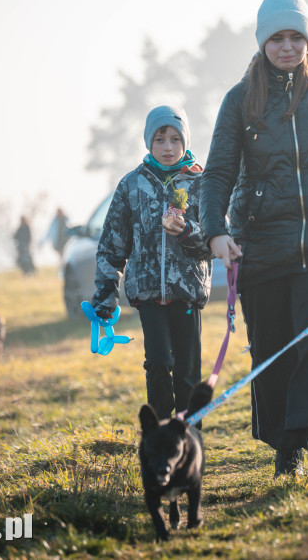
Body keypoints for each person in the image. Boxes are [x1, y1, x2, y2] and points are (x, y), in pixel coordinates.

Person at [200, 0, 308, 480]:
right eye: (278, 38)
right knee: (273, 348)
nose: (288, 46)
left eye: (297, 37)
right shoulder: (239, 101)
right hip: (263, 245)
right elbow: (217, 175)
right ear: (263, 42)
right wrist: (215, 232)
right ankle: (285, 447)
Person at [90, 105, 213, 420]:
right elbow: (112, 244)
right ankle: (159, 433)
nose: (168, 147)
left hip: (186, 290)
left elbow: (213, 242)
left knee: (187, 372)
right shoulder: (132, 184)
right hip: (147, 293)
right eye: (160, 140)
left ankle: (188, 439)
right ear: (149, 143)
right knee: (158, 363)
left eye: (175, 139)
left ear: (185, 142)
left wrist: (186, 231)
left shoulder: (200, 183)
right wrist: (105, 293)